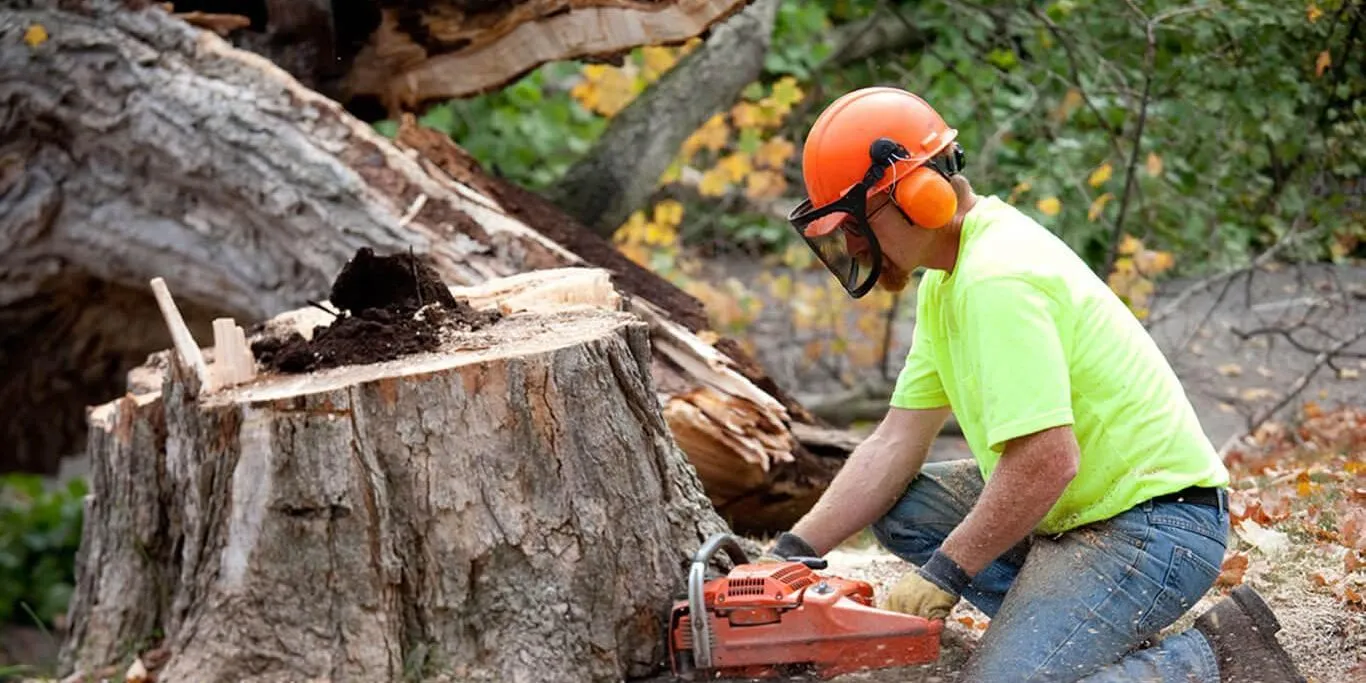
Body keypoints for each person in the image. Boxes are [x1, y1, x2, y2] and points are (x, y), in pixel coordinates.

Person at [767, 86, 1306, 682]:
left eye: (855, 225)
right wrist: (789, 553)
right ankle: (1071, 635)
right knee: (905, 506)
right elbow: (893, 442)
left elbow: (1047, 462)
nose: (851, 247)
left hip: (1155, 526)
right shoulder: (946, 281)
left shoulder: (996, 278)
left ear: (915, 197)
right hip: (1079, 514)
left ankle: (1217, 657)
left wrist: (946, 572)